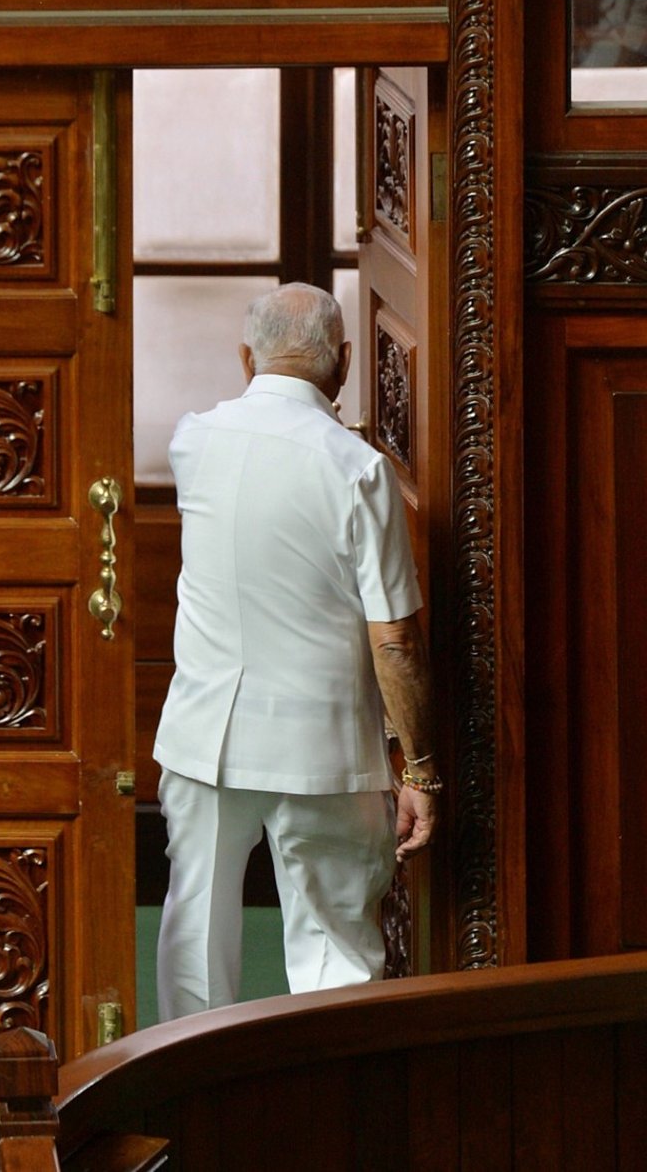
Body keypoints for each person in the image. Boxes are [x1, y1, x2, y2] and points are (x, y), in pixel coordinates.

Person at [153, 282, 440, 1020]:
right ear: (343, 363)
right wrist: (421, 770)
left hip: (205, 737)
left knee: (193, 945)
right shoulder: (357, 467)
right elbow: (396, 641)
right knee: (335, 960)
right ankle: (331, 1128)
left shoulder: (192, 440)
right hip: (324, 751)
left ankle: (191, 1119)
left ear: (245, 356)